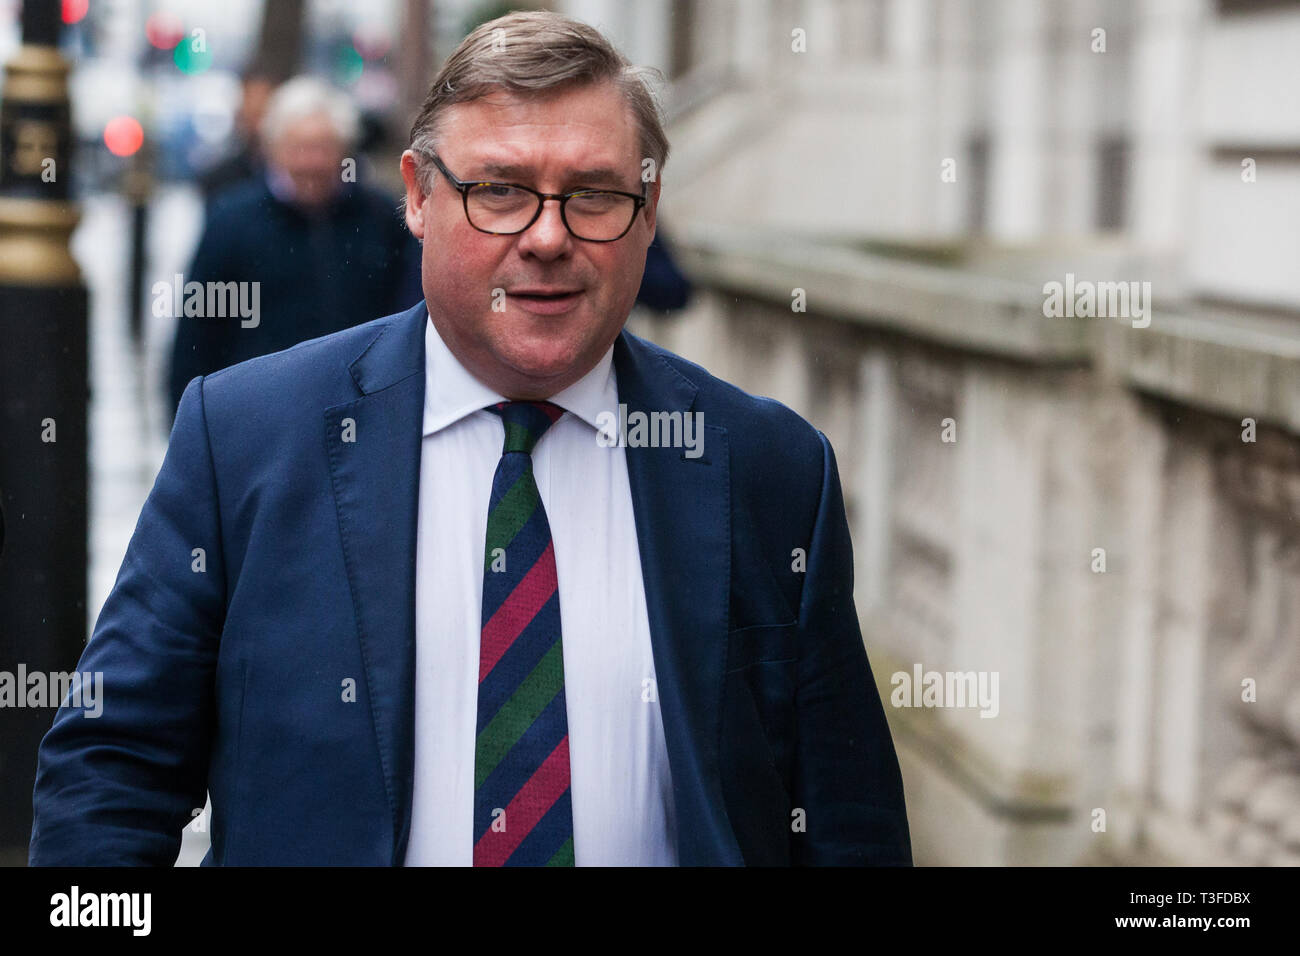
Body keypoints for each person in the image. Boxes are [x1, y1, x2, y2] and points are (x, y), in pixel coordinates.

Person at [31, 11, 911, 866]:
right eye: (499, 190)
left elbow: (845, 817)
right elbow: (114, 769)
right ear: (417, 194)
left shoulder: (768, 468)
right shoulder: (246, 440)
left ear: (648, 212)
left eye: (595, 195)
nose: (547, 237)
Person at [166, 75, 421, 420]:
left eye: (324, 148)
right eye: (299, 147)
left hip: (360, 414)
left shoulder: (379, 216)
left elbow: (407, 314)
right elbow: (197, 334)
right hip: (259, 416)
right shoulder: (232, 221)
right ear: (273, 150)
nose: (312, 162)